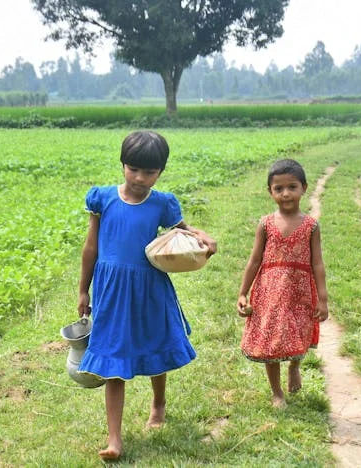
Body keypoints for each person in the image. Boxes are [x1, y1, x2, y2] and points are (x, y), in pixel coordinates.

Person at [77, 130, 217, 461]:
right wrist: (83, 289)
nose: (140, 178)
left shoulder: (162, 204)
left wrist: (206, 241)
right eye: (134, 169)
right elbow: (91, 247)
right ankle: (115, 439)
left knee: (155, 344)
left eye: (150, 172)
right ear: (123, 164)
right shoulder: (103, 199)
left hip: (150, 286)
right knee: (112, 358)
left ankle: (159, 403)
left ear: (161, 172)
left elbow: (185, 232)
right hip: (110, 290)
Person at [236, 159, 329, 408]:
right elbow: (254, 260)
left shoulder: (311, 226)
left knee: (299, 331)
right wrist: (243, 292)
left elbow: (318, 263)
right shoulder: (265, 224)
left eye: (292, 187)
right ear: (270, 192)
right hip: (270, 291)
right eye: (279, 189)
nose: (286, 193)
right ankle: (277, 393)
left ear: (304, 188)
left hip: (300, 289)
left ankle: (295, 366)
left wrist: (323, 298)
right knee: (271, 340)